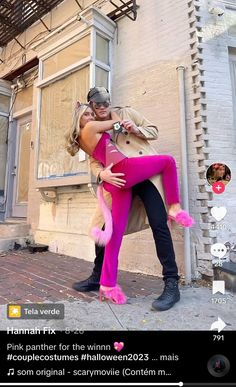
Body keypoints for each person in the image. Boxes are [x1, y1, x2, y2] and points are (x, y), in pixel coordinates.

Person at [66, 93, 194, 306]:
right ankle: (99, 276)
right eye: (92, 108)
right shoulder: (96, 125)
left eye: (104, 102)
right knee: (105, 227)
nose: (99, 108)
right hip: (119, 176)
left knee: (157, 225)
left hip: (142, 176)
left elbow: (153, 131)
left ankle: (169, 283)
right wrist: (101, 174)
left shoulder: (126, 112)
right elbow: (94, 160)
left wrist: (135, 129)